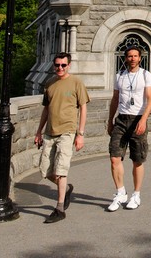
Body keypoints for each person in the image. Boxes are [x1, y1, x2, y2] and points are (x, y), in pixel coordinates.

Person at [34, 52, 90, 224]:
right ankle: (65, 190)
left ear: (69, 65)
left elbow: (83, 108)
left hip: (67, 131)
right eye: (57, 65)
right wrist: (38, 131)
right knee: (45, 170)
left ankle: (59, 208)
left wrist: (80, 134)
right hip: (50, 131)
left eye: (63, 65)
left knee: (61, 169)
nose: (60, 68)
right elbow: (46, 109)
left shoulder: (76, 83)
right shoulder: (50, 84)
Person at [106, 46, 151, 211]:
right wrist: (110, 120)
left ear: (140, 58)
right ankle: (120, 193)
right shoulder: (120, 76)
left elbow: (150, 100)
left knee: (137, 160)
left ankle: (136, 194)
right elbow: (115, 98)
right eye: (130, 56)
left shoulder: (145, 75)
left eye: (135, 56)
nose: (132, 58)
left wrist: (143, 120)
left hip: (137, 120)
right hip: (121, 119)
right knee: (114, 157)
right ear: (125, 58)